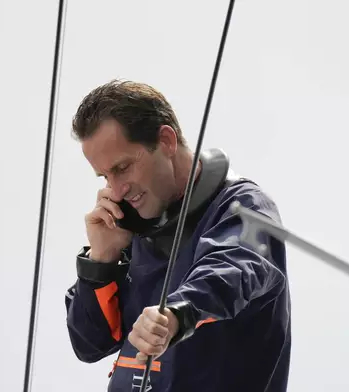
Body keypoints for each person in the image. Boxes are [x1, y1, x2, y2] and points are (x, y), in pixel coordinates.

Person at [65, 79, 291, 392]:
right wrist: (101, 264)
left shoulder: (245, 208)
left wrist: (175, 315)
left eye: (123, 167)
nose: (115, 190)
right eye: (105, 176)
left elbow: (234, 270)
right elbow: (90, 344)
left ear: (167, 141)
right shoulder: (133, 225)